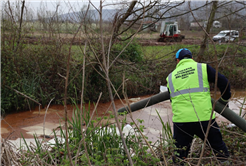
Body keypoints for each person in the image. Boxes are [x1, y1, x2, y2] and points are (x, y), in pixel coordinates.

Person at [166, 48, 230, 164]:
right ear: (192, 58)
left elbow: (172, 99)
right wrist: (224, 100)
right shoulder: (202, 68)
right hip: (204, 118)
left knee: (179, 156)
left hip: (181, 121)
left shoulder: (170, 77)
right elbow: (224, 82)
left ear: (177, 60)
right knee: (220, 152)